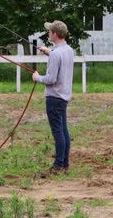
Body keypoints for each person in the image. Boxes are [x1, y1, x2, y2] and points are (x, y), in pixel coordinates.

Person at [32, 20, 74, 178]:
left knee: (58, 132)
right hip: (63, 96)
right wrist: (49, 52)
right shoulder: (69, 50)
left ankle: (57, 166)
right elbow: (60, 59)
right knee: (64, 131)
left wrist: (37, 77)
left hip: (54, 96)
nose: (48, 33)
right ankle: (65, 164)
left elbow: (51, 78)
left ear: (55, 34)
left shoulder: (56, 54)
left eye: (50, 31)